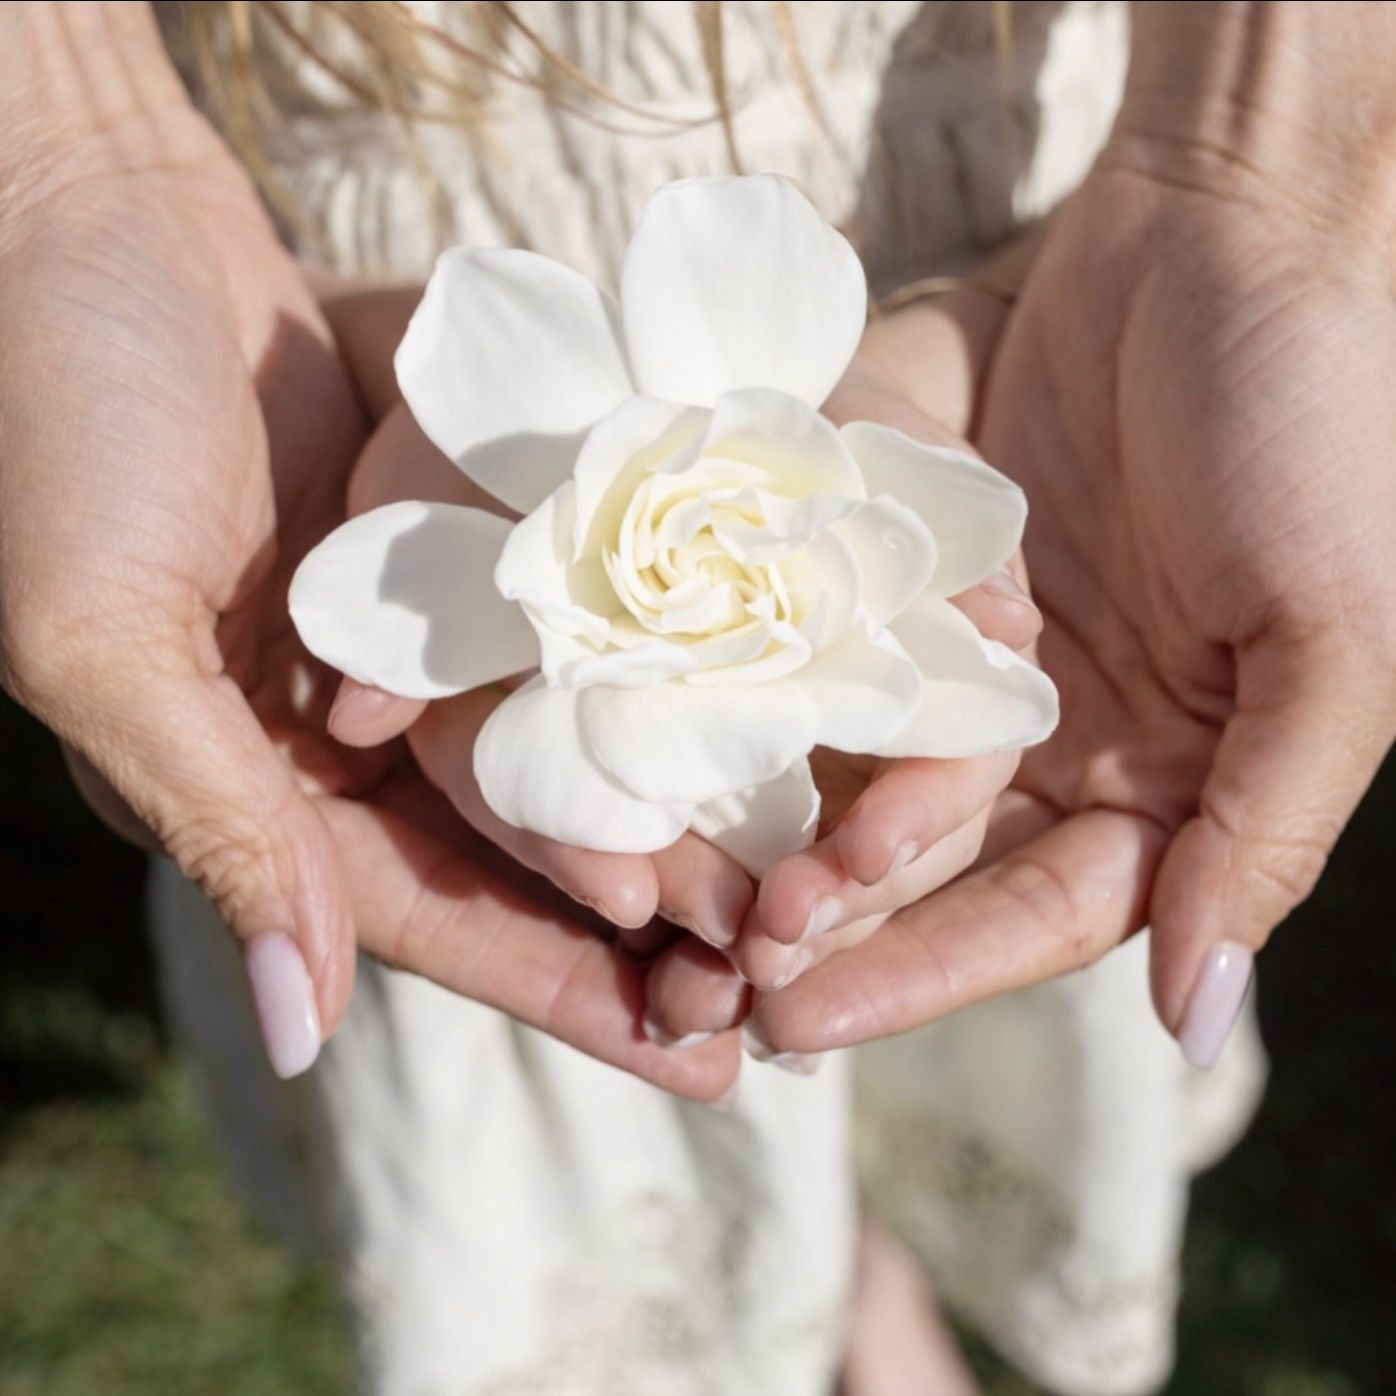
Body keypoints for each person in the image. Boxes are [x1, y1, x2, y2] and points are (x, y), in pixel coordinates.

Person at [1, 2, 1388, 1393]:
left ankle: (866, 1259)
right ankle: (838, 1279)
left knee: (879, 900)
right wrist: (65, 163)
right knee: (686, 941)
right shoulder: (477, 426)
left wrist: (1263, 174)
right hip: (393, 349)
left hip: (1015, 283)